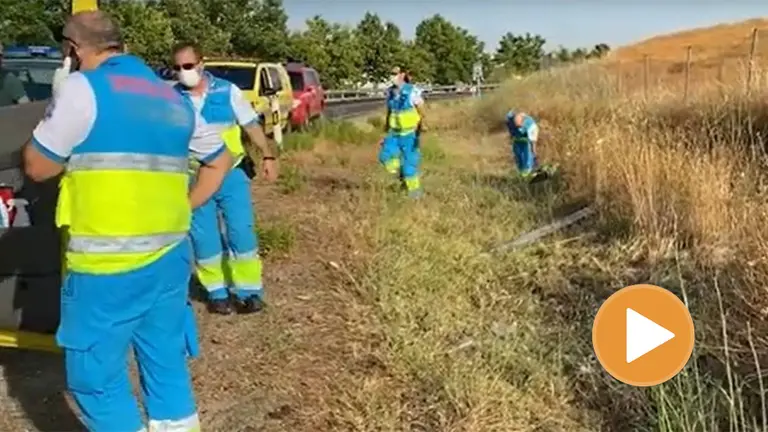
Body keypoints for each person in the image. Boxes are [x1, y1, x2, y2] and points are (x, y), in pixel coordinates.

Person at [22, 11, 231, 432]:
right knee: (166, 364)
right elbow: (220, 160)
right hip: (170, 258)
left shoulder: (83, 88)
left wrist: (57, 103)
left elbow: (38, 167)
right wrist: (184, 207)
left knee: (94, 380)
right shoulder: (172, 97)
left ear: (73, 50)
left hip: (106, 269)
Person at [171, 42, 278, 315]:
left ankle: (249, 292)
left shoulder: (227, 91)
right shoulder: (172, 98)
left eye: (188, 66)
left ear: (201, 64)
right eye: (177, 67)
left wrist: (268, 156)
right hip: (194, 177)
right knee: (204, 237)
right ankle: (216, 292)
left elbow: (251, 125)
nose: (183, 72)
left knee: (241, 232)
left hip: (231, 173)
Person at [379, 66, 426, 199]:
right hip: (394, 133)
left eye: (394, 73)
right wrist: (386, 126)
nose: (391, 76)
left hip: (410, 134)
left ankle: (414, 194)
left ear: (402, 74)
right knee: (386, 157)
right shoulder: (390, 92)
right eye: (390, 73)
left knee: (410, 166)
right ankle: (401, 175)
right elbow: (390, 111)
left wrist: (422, 125)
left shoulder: (412, 91)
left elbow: (421, 109)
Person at [505, 110, 555, 180]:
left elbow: (532, 143)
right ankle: (524, 172)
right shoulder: (511, 121)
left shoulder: (531, 127)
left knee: (529, 154)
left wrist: (534, 152)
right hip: (519, 139)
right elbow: (512, 133)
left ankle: (531, 170)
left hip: (528, 137)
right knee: (519, 156)